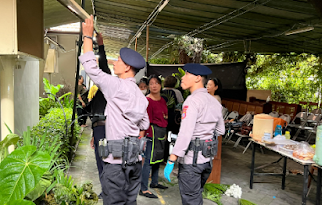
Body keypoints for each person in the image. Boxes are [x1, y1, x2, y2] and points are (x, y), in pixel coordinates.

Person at [79, 15, 150, 205]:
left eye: (118, 60)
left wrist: (87, 37)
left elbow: (91, 68)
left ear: (127, 67)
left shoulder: (116, 86)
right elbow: (144, 124)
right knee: (130, 202)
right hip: (134, 163)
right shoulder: (140, 96)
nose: (114, 62)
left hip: (116, 165)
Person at [163, 63, 225, 205]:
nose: (182, 78)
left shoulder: (191, 101)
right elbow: (221, 130)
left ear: (197, 78)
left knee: (192, 201)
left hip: (191, 163)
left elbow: (185, 134)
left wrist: (171, 160)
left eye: (186, 74)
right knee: (196, 197)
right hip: (206, 162)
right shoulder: (215, 102)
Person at [85, 33, 110, 199]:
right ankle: (105, 189)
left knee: (105, 160)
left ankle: (108, 190)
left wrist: (100, 46)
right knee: (100, 162)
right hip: (98, 130)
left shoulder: (107, 85)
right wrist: (94, 135)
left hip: (106, 128)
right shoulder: (95, 91)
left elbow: (104, 66)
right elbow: (92, 115)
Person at [140, 75, 168, 199]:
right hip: (151, 133)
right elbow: (145, 120)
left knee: (158, 159)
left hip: (161, 133)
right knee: (148, 161)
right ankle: (143, 188)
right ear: (148, 86)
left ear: (160, 85)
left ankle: (155, 182)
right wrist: (142, 137)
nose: (154, 86)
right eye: (151, 84)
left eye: (156, 83)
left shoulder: (163, 100)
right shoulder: (147, 100)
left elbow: (165, 116)